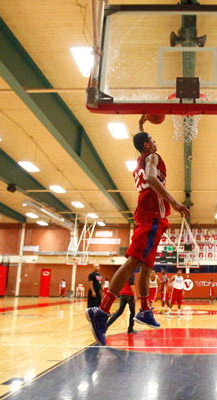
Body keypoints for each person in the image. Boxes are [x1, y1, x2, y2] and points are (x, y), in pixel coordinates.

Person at [85, 115, 189, 345]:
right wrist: (175, 202)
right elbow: (152, 178)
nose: (155, 141)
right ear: (146, 145)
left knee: (147, 266)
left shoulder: (140, 159)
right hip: (152, 216)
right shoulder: (152, 157)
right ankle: (101, 313)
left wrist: (141, 127)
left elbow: (140, 151)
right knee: (132, 263)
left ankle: (144, 310)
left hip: (150, 216)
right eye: (151, 139)